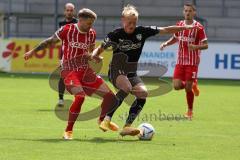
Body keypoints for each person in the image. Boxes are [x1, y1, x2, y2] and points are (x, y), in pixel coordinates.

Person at [93, 4, 197, 136]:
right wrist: (94, 55)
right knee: (126, 87)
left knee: (143, 93)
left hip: (131, 72)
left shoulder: (142, 31)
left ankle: (127, 126)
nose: (132, 25)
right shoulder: (115, 34)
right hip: (116, 70)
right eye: (129, 22)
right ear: (123, 20)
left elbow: (165, 29)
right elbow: (100, 47)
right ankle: (106, 120)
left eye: (134, 22)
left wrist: (185, 27)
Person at [24, 8, 119, 140]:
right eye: (89, 23)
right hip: (69, 70)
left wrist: (93, 57)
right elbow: (49, 41)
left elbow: (89, 53)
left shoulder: (91, 33)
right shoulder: (67, 30)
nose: (91, 26)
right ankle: (68, 131)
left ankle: (101, 120)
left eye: (92, 23)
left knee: (111, 98)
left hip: (85, 70)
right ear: (81, 20)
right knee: (80, 97)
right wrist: (33, 52)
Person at [160, 3, 208, 119]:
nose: (187, 13)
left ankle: (190, 111)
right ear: (183, 12)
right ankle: (193, 85)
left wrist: (195, 47)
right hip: (180, 62)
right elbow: (175, 38)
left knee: (187, 88)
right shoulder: (180, 25)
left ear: (194, 12)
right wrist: (166, 43)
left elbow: (206, 45)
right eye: (186, 11)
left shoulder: (198, 27)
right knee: (176, 86)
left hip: (192, 63)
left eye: (190, 11)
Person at [57, 3, 78, 106]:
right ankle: (60, 99)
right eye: (67, 10)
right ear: (64, 11)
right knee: (62, 76)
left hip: (76, 54)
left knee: (77, 77)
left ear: (74, 11)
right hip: (65, 54)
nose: (69, 12)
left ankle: (77, 98)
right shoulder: (61, 24)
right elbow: (61, 40)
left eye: (71, 10)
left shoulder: (78, 23)